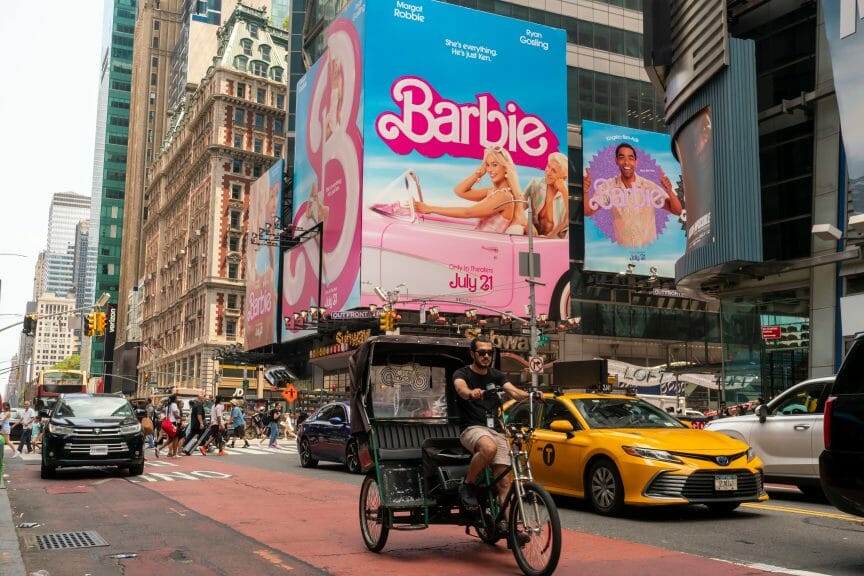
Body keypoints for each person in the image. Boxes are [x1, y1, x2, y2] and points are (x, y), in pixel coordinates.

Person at [452, 336, 530, 534]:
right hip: (471, 429)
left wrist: (532, 395)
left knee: (504, 482)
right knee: (489, 448)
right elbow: (461, 389)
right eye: (482, 353)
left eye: (490, 353)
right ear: (473, 354)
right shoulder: (462, 373)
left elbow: (512, 391)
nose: (486, 356)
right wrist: (471, 393)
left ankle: (511, 529)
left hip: (495, 429)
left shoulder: (496, 375)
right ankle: (468, 485)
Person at [583, 142, 683, 249]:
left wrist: (669, 190)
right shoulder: (608, 187)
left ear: (636, 163)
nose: (626, 162)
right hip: (622, 254)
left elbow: (677, 211)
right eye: (622, 157)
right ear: (616, 161)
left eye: (630, 158)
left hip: (649, 254)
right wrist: (585, 191)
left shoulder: (649, 187)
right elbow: (588, 211)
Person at [414, 147, 532, 235]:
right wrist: (479, 173)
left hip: (485, 247)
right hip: (478, 240)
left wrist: (429, 208)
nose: (490, 170)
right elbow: (459, 191)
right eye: (487, 165)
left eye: (495, 165)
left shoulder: (504, 197)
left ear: (505, 167)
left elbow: (467, 212)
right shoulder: (492, 192)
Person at [526, 152, 569, 238]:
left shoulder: (566, 194)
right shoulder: (535, 184)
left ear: (563, 178)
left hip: (553, 241)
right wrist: (527, 224)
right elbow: (518, 208)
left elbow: (570, 220)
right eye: (548, 166)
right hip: (531, 237)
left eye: (554, 171)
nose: (548, 172)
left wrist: (564, 192)